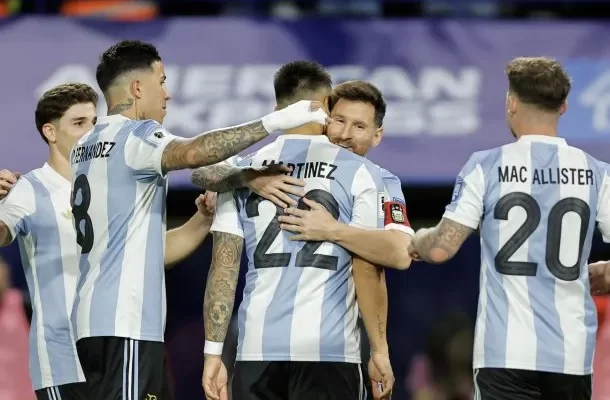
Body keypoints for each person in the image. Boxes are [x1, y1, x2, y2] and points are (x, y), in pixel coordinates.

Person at [70, 41, 329, 399]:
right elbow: (193, 155)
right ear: (137, 88)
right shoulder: (136, 136)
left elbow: (150, 252)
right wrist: (274, 122)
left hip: (89, 325)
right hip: (124, 325)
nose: (167, 93)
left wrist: (205, 216)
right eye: (162, 81)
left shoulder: (85, 146)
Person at [408, 57, 610, 399]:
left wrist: (417, 239)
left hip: (504, 355)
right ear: (563, 107)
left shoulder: (486, 166)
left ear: (511, 103)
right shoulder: (597, 173)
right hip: (571, 356)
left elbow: (441, 248)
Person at [0, 83, 217, 399]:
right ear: (50, 132)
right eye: (78, 123)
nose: (88, 132)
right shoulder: (29, 190)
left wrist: (203, 220)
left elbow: (152, 253)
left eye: (93, 122)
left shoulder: (112, 184)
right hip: (63, 358)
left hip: (117, 346)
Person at [201, 62, 394, 400]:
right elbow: (366, 266)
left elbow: (224, 266)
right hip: (330, 350)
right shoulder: (364, 172)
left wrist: (213, 353)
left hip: (257, 351)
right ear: (327, 107)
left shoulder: (240, 173)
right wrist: (379, 350)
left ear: (278, 108)